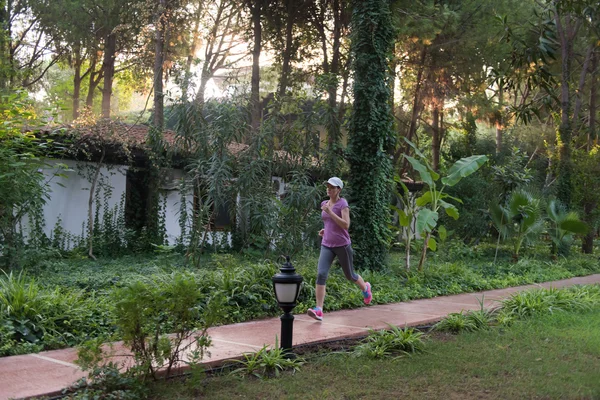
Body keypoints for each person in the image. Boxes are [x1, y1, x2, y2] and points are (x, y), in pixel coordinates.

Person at [307, 177, 372, 321]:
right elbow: (330, 223)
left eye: (332, 187)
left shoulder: (343, 204)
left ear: (339, 190)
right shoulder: (325, 203)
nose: (329, 189)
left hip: (342, 245)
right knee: (321, 274)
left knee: (350, 275)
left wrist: (330, 212)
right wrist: (326, 230)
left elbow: (345, 225)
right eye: (328, 186)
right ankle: (319, 310)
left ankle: (365, 288)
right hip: (327, 244)